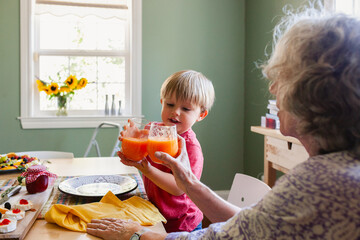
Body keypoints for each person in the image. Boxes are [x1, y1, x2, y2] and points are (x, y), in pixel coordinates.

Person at [87, 3, 360, 240]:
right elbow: (252, 225)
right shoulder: (337, 169)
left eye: (284, 79)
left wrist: (136, 234)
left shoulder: (321, 184)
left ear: (313, 96)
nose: (274, 88)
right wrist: (189, 183)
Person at [118, 70, 215, 233]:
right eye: (170, 104)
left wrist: (148, 170)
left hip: (181, 223)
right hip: (156, 213)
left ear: (201, 114)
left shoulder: (190, 147)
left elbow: (179, 187)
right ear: (162, 102)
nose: (176, 112)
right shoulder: (151, 131)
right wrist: (131, 141)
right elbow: (136, 157)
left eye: (186, 108)